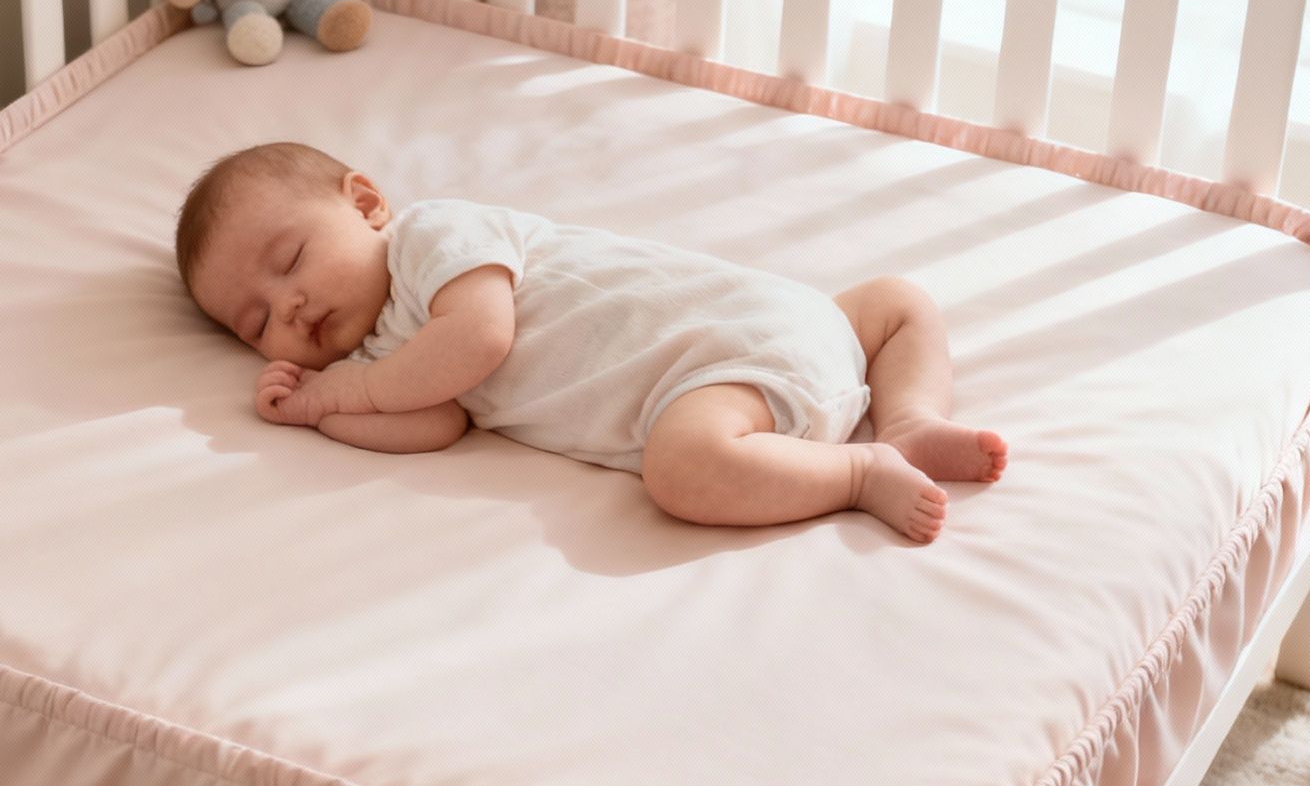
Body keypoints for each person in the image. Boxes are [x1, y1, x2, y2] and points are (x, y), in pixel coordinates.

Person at [175, 142, 1007, 543]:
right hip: (728, 376)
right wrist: (323, 406)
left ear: (365, 205)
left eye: (289, 261)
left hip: (735, 342)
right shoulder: (382, 367)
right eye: (255, 322)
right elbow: (434, 425)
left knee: (686, 462)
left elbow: (480, 338)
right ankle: (900, 425)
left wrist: (351, 391)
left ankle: (879, 452)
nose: (288, 306)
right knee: (887, 307)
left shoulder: (434, 240)